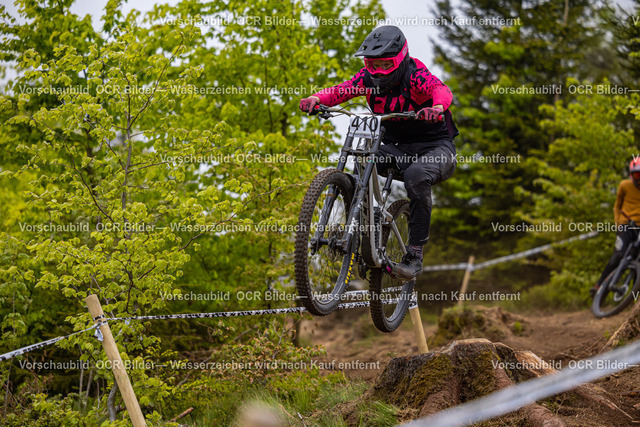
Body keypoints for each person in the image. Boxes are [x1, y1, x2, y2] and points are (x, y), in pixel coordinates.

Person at [299, 25, 458, 280]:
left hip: (435, 148)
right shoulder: (367, 79)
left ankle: (414, 255)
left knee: (416, 176)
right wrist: (316, 99)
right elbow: (341, 90)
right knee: (363, 157)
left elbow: (441, 90)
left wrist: (437, 107)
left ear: (400, 59)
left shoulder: (415, 75)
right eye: (373, 65)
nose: (379, 72)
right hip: (397, 148)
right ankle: (364, 229)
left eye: (385, 65)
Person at [592, 158, 640, 296]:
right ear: (631, 174)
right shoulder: (625, 185)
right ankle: (599, 285)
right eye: (637, 175)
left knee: (638, 261)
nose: (639, 178)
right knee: (619, 254)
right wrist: (618, 222)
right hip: (626, 224)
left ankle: (634, 297)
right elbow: (617, 206)